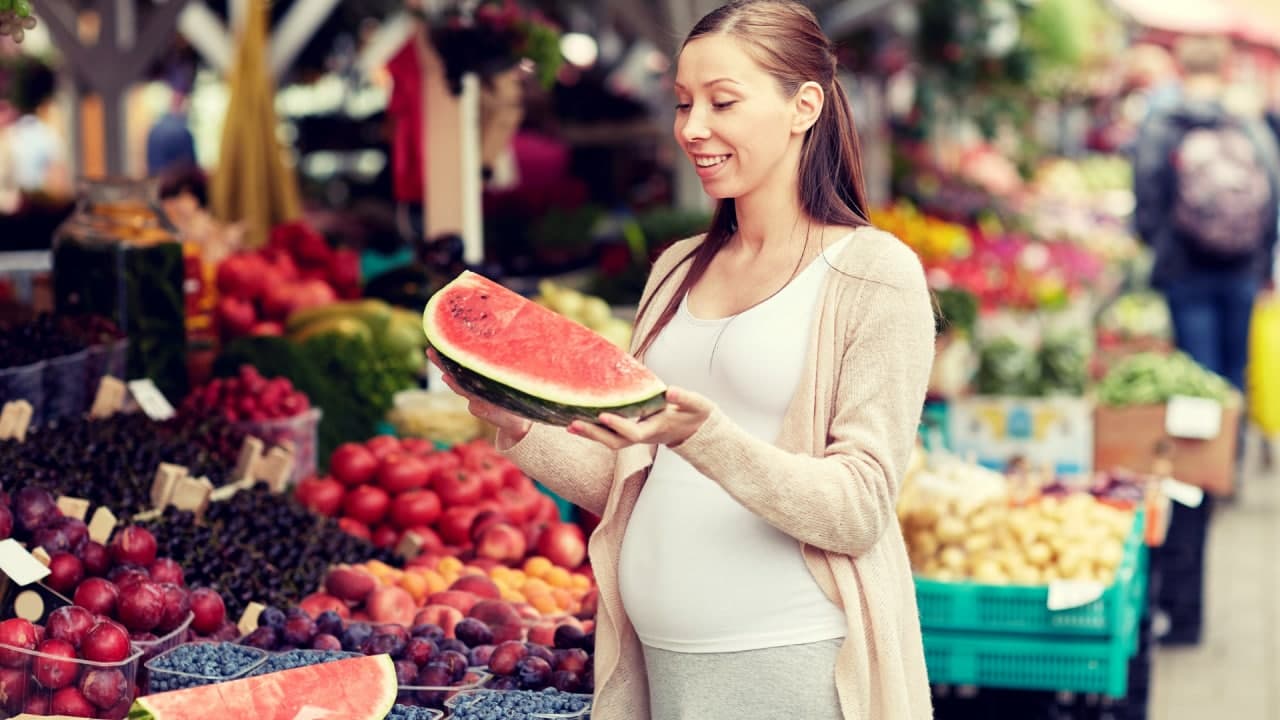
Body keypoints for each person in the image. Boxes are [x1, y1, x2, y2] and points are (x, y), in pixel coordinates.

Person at [431, 2, 935, 718]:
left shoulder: (873, 275)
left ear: (804, 106)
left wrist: (706, 437)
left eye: (722, 102)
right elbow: (633, 481)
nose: (692, 128)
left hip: (788, 661)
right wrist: (517, 425)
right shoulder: (675, 270)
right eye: (683, 103)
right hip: (661, 664)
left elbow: (857, 508)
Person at [1133, 34, 1280, 394]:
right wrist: (1263, 258)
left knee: (1197, 373)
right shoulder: (1247, 122)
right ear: (1226, 68)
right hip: (1241, 264)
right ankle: (1234, 448)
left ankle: (1201, 448)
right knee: (1235, 368)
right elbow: (1273, 189)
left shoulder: (1163, 122)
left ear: (1180, 67)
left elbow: (1147, 189)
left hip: (1184, 266)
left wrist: (1159, 244)